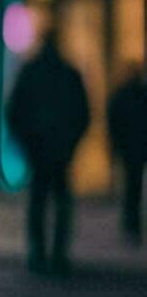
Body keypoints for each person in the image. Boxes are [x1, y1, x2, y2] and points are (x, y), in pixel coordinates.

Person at [6, 29, 90, 275]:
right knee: (61, 202)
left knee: (38, 202)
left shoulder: (31, 72)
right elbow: (82, 114)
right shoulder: (69, 74)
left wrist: (27, 143)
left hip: (39, 151)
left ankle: (38, 252)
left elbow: (14, 112)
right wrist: (71, 143)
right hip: (60, 151)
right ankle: (59, 254)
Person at [107, 63, 147, 246]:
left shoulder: (122, 95)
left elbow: (113, 120)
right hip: (137, 148)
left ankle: (131, 224)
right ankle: (133, 225)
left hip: (128, 149)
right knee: (135, 187)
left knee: (131, 188)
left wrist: (116, 144)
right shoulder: (141, 96)